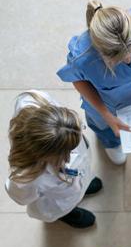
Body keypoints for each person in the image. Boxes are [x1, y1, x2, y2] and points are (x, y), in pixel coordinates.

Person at [57, 0, 131, 165]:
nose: (129, 59)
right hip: (108, 107)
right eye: (119, 60)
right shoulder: (83, 58)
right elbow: (76, 79)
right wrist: (106, 114)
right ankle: (111, 143)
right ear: (100, 53)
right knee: (105, 129)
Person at [5, 90, 102, 228]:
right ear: (49, 155)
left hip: (76, 174)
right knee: (65, 204)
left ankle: (83, 186)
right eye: (69, 151)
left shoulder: (33, 100)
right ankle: (68, 214)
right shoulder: (25, 179)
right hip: (59, 201)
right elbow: (23, 198)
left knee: (81, 179)